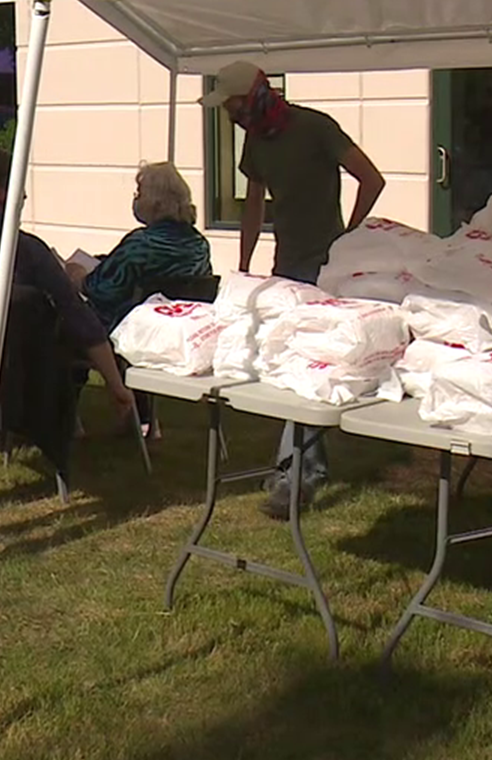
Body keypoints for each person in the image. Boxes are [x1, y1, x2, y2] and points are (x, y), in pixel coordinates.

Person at [200, 61, 385, 520]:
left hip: (325, 263)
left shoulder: (316, 128)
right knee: (292, 368)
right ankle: (301, 466)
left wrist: (351, 236)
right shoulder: (256, 142)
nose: (228, 115)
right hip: (286, 266)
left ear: (251, 98)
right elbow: (253, 205)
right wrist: (244, 268)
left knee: (308, 368)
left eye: (230, 105)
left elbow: (372, 178)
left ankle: (295, 474)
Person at [0, 143, 139, 440]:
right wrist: (116, 385)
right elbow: (81, 319)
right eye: (19, 186)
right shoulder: (28, 251)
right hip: (28, 380)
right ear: (0, 192)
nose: (24, 195)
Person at [73, 161, 213, 438]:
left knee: (69, 325)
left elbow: (100, 289)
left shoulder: (141, 244)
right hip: (174, 336)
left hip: (129, 335)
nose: (135, 199)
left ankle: (68, 420)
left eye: (139, 192)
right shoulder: (199, 245)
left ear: (158, 202)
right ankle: (146, 420)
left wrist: (75, 274)